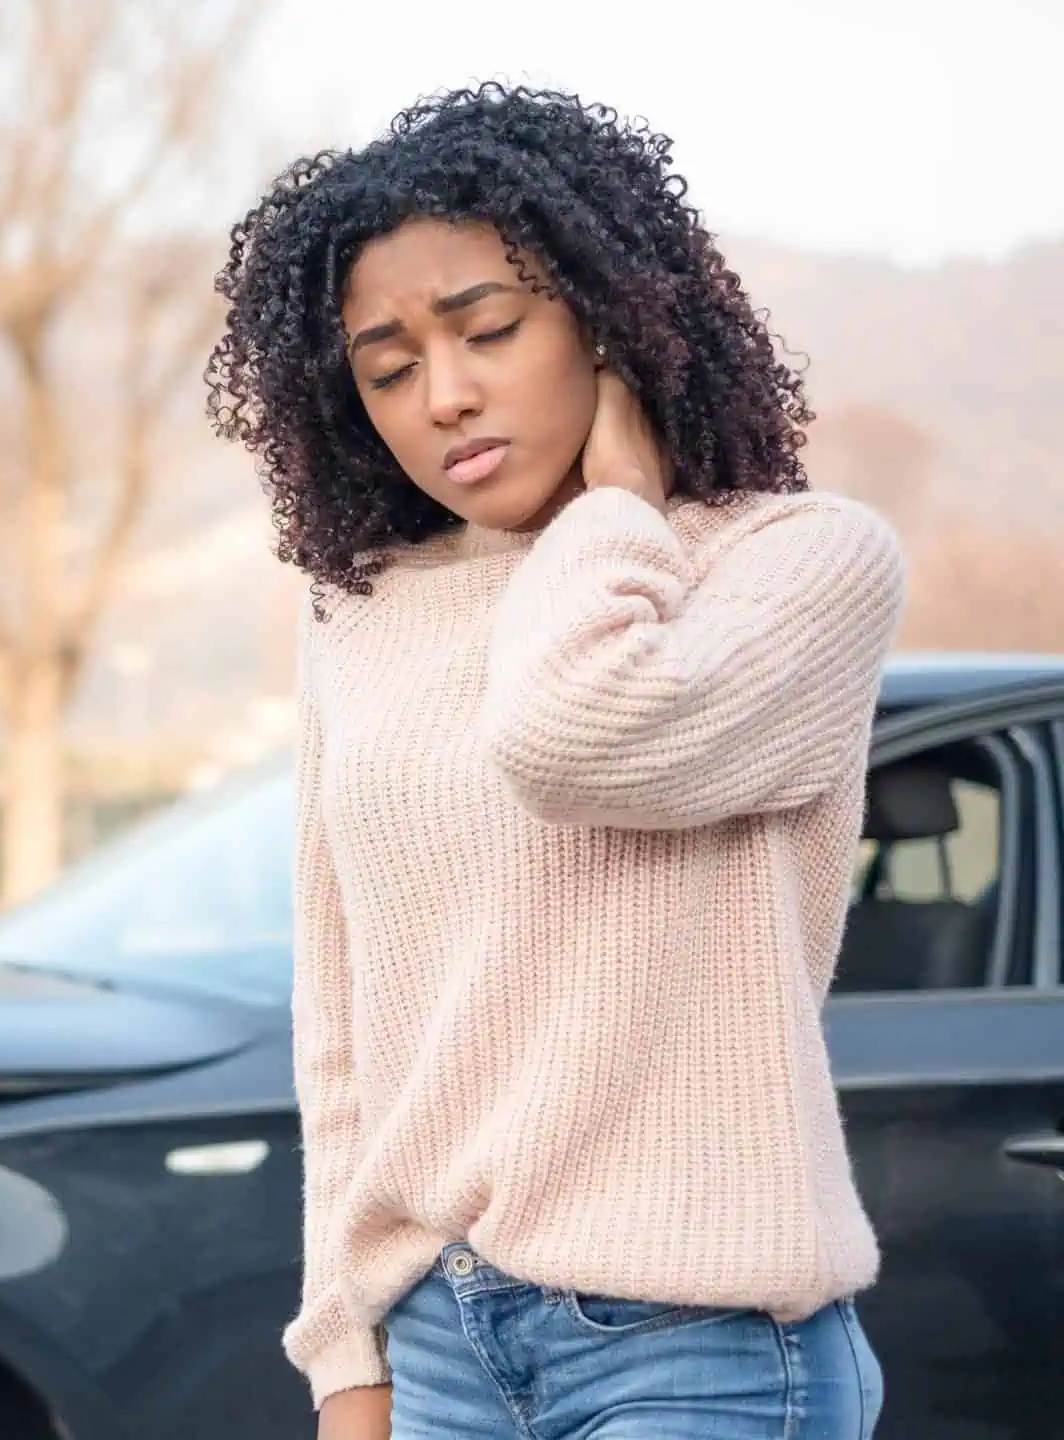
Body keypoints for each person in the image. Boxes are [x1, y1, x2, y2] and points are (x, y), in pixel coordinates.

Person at [207, 85, 903, 1439]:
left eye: (487, 330)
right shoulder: (361, 603)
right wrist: (345, 1359)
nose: (446, 394)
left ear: (610, 315)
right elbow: (342, 1020)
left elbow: (579, 736)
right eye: (389, 367)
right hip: (438, 1348)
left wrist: (618, 510)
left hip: (695, 1355)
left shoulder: (792, 563)